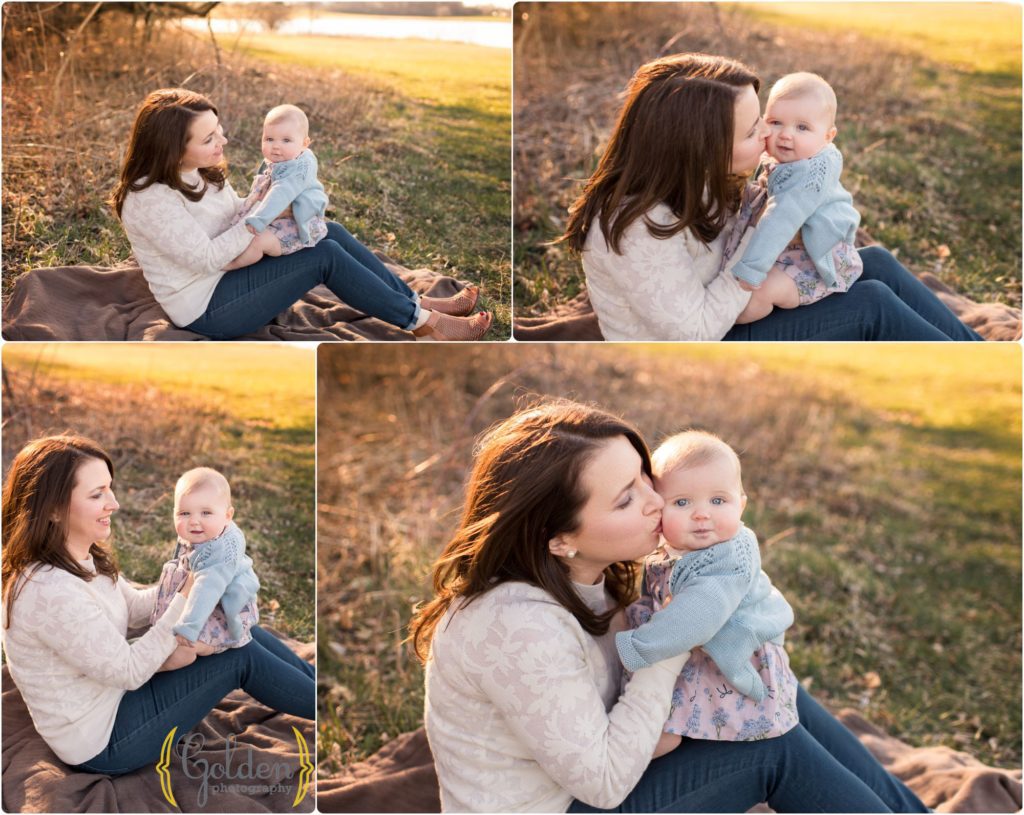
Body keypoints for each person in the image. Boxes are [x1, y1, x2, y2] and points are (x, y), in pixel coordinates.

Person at [409, 400, 929, 812]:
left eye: (643, 477)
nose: (656, 501)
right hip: (566, 804)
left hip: (589, 779)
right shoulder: (516, 627)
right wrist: (673, 635)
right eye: (624, 499)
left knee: (776, 696)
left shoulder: (584, 575)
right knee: (768, 746)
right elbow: (606, 784)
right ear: (558, 538)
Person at [560, 53, 982, 342]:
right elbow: (696, 330)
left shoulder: (700, 176)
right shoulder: (635, 227)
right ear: (696, 148)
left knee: (876, 262)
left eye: (761, 119)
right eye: (752, 132)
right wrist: (764, 236)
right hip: (704, 340)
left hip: (734, 306)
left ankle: (983, 352)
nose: (769, 134)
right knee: (871, 305)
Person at [1, 436, 315, 775]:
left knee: (235, 628)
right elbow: (130, 670)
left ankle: (316, 686)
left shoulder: (74, 556)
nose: (114, 504)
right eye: (97, 494)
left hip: (113, 695)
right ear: (52, 509)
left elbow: (136, 607)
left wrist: (203, 579)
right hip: (102, 740)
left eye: (109, 488)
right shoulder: (49, 592)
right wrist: (191, 594)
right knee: (238, 655)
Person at [110, 88, 490, 341]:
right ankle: (426, 325)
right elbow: (211, 256)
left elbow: (234, 216)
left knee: (328, 231)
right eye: (209, 139)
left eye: (219, 131)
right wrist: (261, 224)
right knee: (322, 256)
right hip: (207, 307)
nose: (223, 142)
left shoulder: (195, 170)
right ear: (172, 148)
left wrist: (285, 209)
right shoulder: (149, 199)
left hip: (232, 270)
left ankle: (414, 301)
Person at [616, 431, 799, 751]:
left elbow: (694, 619)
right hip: (694, 647)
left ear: (740, 505)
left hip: (728, 655)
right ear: (658, 510)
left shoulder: (725, 561)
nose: (702, 514)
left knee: (672, 731)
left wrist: (634, 647)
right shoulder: (677, 547)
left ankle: (655, 758)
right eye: (682, 502)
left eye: (718, 500)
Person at [730, 72, 863, 323]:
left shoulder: (806, 177)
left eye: (802, 127)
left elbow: (779, 220)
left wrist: (751, 269)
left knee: (762, 291)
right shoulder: (798, 156)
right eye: (776, 122)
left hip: (815, 262)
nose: (785, 135)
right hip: (794, 246)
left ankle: (726, 329)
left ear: (828, 136)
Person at [152, 467, 260, 671]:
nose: (194, 521)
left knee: (183, 649)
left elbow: (207, 590)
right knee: (169, 636)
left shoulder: (218, 553)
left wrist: (189, 627)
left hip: (219, 614)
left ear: (228, 516)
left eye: (206, 513)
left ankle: (152, 670)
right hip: (205, 606)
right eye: (184, 513)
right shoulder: (208, 533)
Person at [226, 104, 329, 268]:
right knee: (245, 233)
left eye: (286, 140)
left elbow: (280, 194)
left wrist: (259, 220)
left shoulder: (297, 170)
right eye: (269, 139)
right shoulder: (281, 160)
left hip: (296, 228)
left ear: (304, 144)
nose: (276, 146)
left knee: (257, 242)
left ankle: (231, 266)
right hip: (277, 217)